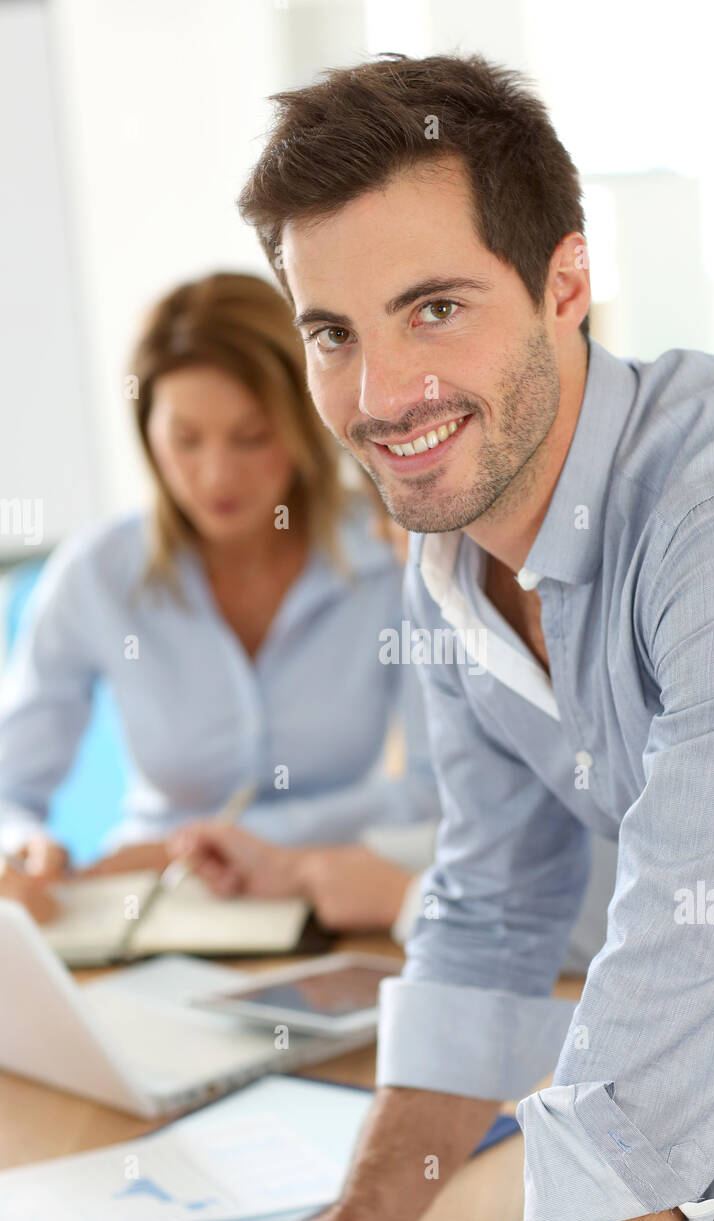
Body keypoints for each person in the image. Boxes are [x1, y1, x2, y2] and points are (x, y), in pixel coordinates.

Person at [129, 54, 714, 1221]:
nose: (379, 399)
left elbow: (663, 1027)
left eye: (435, 308)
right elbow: (489, 917)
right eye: (331, 333)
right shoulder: (450, 549)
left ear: (564, 284)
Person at [0, 271, 439, 933]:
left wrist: (215, 844)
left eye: (251, 436)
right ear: (147, 429)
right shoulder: (96, 575)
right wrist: (21, 847)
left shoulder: (391, 555)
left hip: (340, 902)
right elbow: (10, 788)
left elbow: (433, 791)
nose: (215, 476)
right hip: (148, 910)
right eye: (186, 439)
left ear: (305, 421)